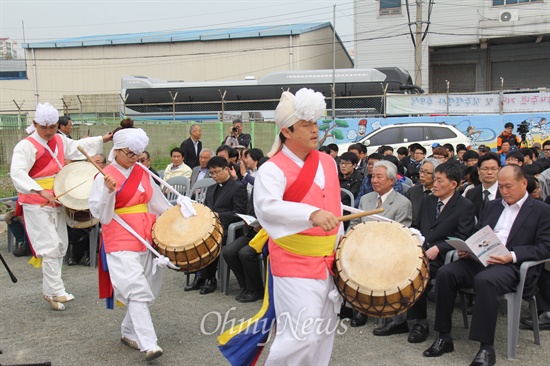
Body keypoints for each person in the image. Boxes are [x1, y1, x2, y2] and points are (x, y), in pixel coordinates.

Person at [424, 165, 550, 366]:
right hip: (481, 259)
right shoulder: (494, 206)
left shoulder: (541, 211)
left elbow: (545, 247)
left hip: (511, 266)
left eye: (508, 186)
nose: (504, 191)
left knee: (485, 280)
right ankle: (443, 336)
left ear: (523, 183)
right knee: (446, 273)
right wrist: (469, 247)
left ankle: (486, 348)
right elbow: (479, 232)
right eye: (501, 187)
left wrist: (512, 256)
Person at [253, 88, 343, 364]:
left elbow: (336, 208)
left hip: (329, 260)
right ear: (287, 131)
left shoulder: (328, 161)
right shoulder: (272, 169)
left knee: (322, 334)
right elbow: (266, 207)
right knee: (299, 336)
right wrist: (310, 213)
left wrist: (344, 250)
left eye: (315, 123)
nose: (314, 130)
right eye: (306, 125)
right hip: (294, 261)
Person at [10, 102, 111, 311]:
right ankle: (57, 290)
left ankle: (49, 292)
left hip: (57, 199)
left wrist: (102, 139)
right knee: (49, 246)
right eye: (44, 127)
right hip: (36, 202)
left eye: (52, 127)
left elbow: (77, 147)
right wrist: (39, 190)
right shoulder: (26, 145)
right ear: (35, 124)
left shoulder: (59, 139)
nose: (48, 131)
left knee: (60, 245)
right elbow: (17, 172)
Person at [89, 119, 170, 362]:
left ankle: (127, 331)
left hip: (147, 237)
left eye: (138, 154)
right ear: (116, 151)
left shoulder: (142, 172)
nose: (135, 158)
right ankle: (149, 343)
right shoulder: (104, 177)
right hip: (120, 239)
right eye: (130, 153)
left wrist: (180, 215)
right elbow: (99, 213)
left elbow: (158, 204)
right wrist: (108, 191)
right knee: (136, 290)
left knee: (149, 287)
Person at [407, 163, 475, 343]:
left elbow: (463, 237)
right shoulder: (428, 200)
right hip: (422, 249)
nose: (434, 184)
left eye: (439, 180)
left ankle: (420, 323)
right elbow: (417, 225)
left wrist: (439, 248)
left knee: (418, 271)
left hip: (445, 256)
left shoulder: (464, 206)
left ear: (453, 184)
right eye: (434, 179)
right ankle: (401, 318)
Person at [351, 160, 412, 329]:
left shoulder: (402, 203)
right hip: (363, 245)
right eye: (373, 176)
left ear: (392, 181)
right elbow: (355, 223)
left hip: (389, 250)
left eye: (379, 177)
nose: (374, 180)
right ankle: (358, 306)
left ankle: (381, 311)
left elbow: (400, 233)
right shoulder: (366, 199)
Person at [184, 156, 248, 294]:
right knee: (193, 237)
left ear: (226, 169)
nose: (214, 176)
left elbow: (240, 213)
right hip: (210, 226)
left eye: (217, 172)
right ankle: (199, 276)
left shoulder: (238, 188)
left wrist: (219, 216)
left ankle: (209, 278)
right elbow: (207, 208)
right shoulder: (211, 188)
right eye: (212, 173)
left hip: (228, 228)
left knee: (207, 240)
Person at [465, 152, 501, 222]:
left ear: (499, 170)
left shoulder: (505, 193)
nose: (489, 172)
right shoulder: (471, 193)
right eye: (485, 169)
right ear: (478, 170)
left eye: (493, 169)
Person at [405, 158, 441, 224]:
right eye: (421, 171)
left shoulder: (441, 193)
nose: (421, 175)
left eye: (426, 173)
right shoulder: (412, 191)